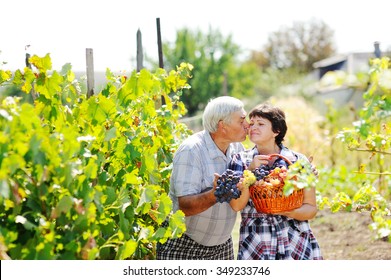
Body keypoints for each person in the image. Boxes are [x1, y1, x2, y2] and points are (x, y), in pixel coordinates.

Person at [156, 96, 250, 260]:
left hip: (222, 247)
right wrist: (216, 193)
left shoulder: (237, 148)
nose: (247, 125)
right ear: (223, 126)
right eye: (241, 121)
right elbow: (185, 206)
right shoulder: (191, 151)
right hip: (184, 245)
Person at [228, 103, 323, 260]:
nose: (253, 127)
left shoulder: (297, 161)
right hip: (257, 240)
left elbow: (311, 209)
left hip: (294, 238)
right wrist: (249, 172)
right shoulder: (240, 160)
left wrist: (287, 211)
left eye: (261, 124)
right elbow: (237, 205)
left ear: (276, 131)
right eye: (251, 124)